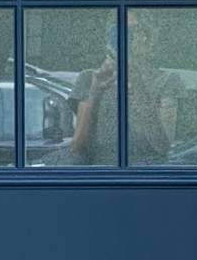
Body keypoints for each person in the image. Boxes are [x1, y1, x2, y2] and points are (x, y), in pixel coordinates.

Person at [68, 13, 181, 165]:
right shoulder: (90, 78)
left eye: (135, 32)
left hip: (148, 175)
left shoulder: (166, 80)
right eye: (119, 31)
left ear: (148, 40)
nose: (128, 39)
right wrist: (95, 94)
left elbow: (162, 145)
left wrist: (136, 80)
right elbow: (78, 147)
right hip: (100, 176)